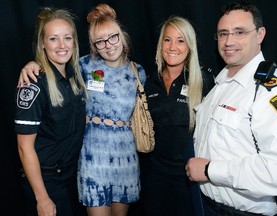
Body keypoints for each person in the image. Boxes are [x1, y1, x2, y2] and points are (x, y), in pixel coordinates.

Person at [17, 3, 146, 216]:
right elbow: (52, 65)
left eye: (113, 37)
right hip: (93, 157)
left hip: (126, 157)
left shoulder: (138, 72)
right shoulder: (83, 67)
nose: (108, 45)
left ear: (122, 35)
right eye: (100, 41)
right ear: (93, 45)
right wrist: (32, 63)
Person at [185, 1, 277, 215]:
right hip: (208, 206)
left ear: (260, 34)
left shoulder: (272, 92)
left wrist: (209, 169)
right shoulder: (222, 82)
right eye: (223, 34)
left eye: (239, 32)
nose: (229, 41)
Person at [15, 7, 87, 216]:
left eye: (67, 38)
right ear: (43, 44)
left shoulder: (76, 77)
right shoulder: (34, 84)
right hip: (47, 181)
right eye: (54, 39)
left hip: (72, 176)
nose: (62, 45)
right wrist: (42, 198)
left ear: (74, 41)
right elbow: (23, 148)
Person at [143, 16, 215, 216]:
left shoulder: (204, 81)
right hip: (155, 175)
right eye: (167, 40)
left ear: (189, 46)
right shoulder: (150, 82)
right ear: (161, 44)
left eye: (180, 40)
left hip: (189, 177)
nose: (173, 46)